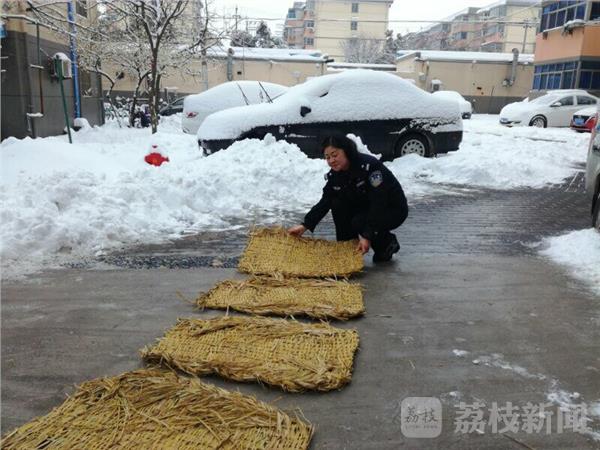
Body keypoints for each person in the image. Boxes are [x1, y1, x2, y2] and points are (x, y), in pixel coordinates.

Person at [288, 135, 408, 262]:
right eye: (327, 157)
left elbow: (379, 202)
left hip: (392, 209)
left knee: (359, 222)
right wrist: (305, 225)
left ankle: (386, 244)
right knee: (337, 203)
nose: (331, 160)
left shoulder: (370, 167)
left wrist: (367, 235)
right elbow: (326, 200)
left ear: (346, 151)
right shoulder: (335, 174)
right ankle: (347, 247)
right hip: (366, 207)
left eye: (335, 155)